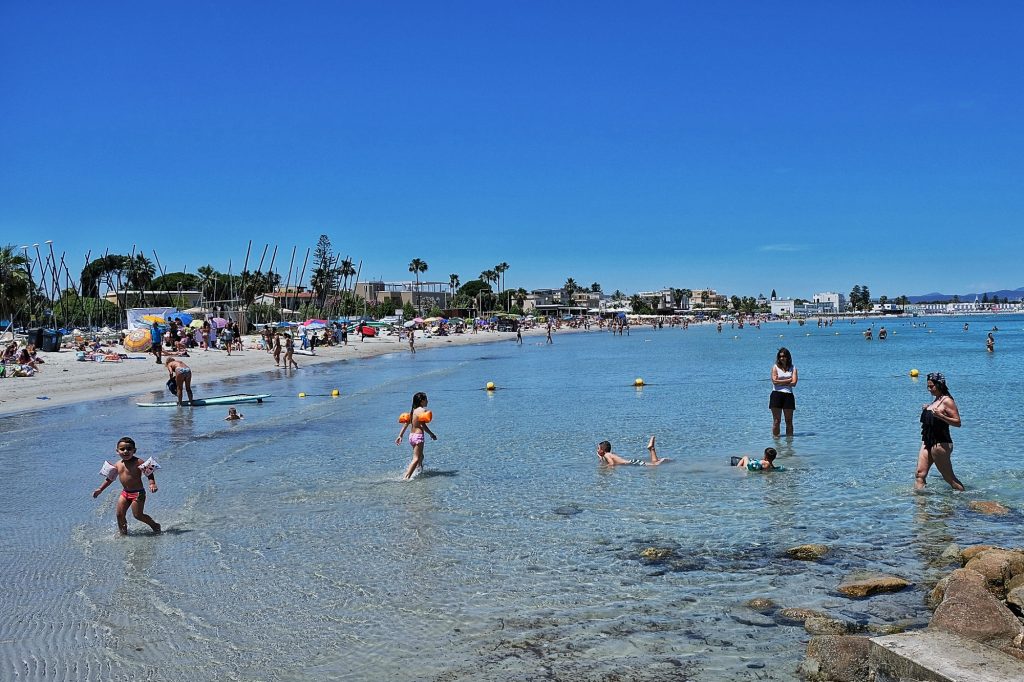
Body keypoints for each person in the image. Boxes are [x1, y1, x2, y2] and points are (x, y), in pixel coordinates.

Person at [92, 437, 161, 535]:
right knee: (119, 514)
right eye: (122, 449)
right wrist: (100, 489)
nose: (125, 451)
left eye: (129, 449)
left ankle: (154, 525)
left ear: (134, 450)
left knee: (138, 515)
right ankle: (123, 534)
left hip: (138, 493)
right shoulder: (118, 464)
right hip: (125, 493)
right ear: (117, 451)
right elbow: (110, 478)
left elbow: (149, 473)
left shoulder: (139, 462)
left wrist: (152, 483)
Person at [917, 372, 964, 491]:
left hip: (940, 443)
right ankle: (920, 507)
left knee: (949, 479)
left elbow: (958, 422)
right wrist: (928, 408)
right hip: (927, 441)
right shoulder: (936, 400)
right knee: (919, 474)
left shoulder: (947, 400)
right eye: (927, 386)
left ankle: (966, 500)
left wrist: (941, 416)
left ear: (939, 385)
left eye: (931, 386)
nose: (929, 389)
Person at [395, 392, 437, 479]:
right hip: (418, 436)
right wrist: (431, 434)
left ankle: (419, 471)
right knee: (416, 458)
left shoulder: (413, 411)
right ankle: (406, 477)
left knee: (421, 456)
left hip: (411, 436)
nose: (427, 401)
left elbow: (406, 424)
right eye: (426, 399)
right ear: (421, 401)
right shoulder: (422, 411)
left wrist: (400, 435)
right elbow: (423, 426)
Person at [770, 347, 798, 437]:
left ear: (788, 357)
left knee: (789, 421)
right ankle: (776, 443)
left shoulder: (793, 368)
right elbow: (774, 381)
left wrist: (780, 382)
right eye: (780, 356)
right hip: (776, 395)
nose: (782, 358)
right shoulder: (775, 367)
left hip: (788, 395)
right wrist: (788, 380)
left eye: (784, 356)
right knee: (776, 421)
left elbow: (794, 383)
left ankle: (789, 446)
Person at [596, 436, 669, 466]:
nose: (597, 450)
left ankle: (662, 459)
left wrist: (605, 467)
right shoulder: (608, 454)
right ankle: (652, 449)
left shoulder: (606, 455)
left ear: (603, 450)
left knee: (655, 466)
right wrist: (600, 457)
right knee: (654, 463)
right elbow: (606, 459)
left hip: (632, 463)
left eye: (598, 448)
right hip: (632, 462)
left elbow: (611, 464)